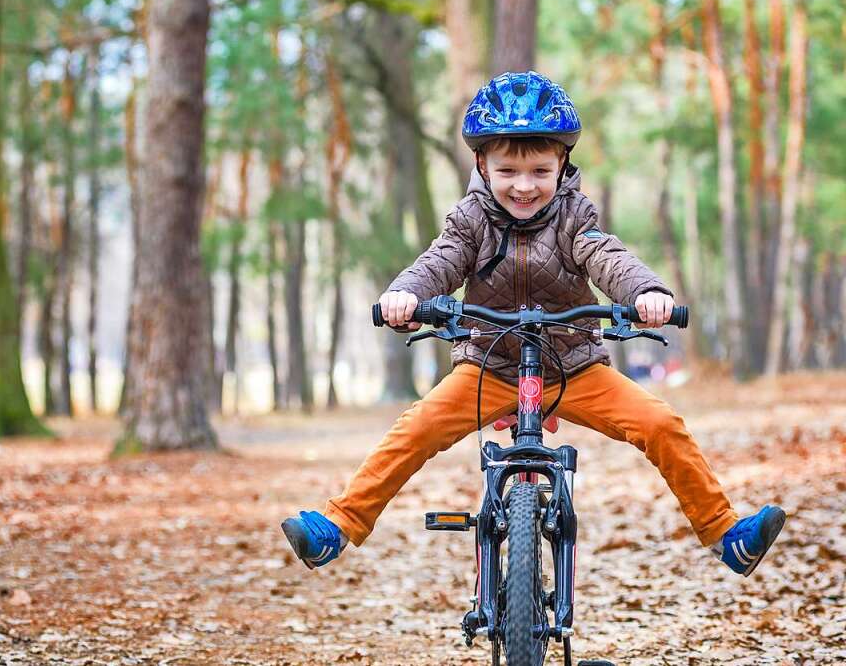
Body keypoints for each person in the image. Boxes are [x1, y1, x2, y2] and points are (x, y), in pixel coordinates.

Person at [281, 71, 784, 577]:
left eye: (541, 171)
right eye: (508, 172)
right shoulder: (469, 220)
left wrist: (646, 293)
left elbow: (606, 256)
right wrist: (405, 295)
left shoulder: (574, 216)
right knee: (414, 430)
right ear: (482, 164)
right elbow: (441, 261)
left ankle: (724, 533)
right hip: (489, 366)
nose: (525, 186)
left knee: (660, 423)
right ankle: (338, 526)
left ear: (562, 164)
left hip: (574, 368)